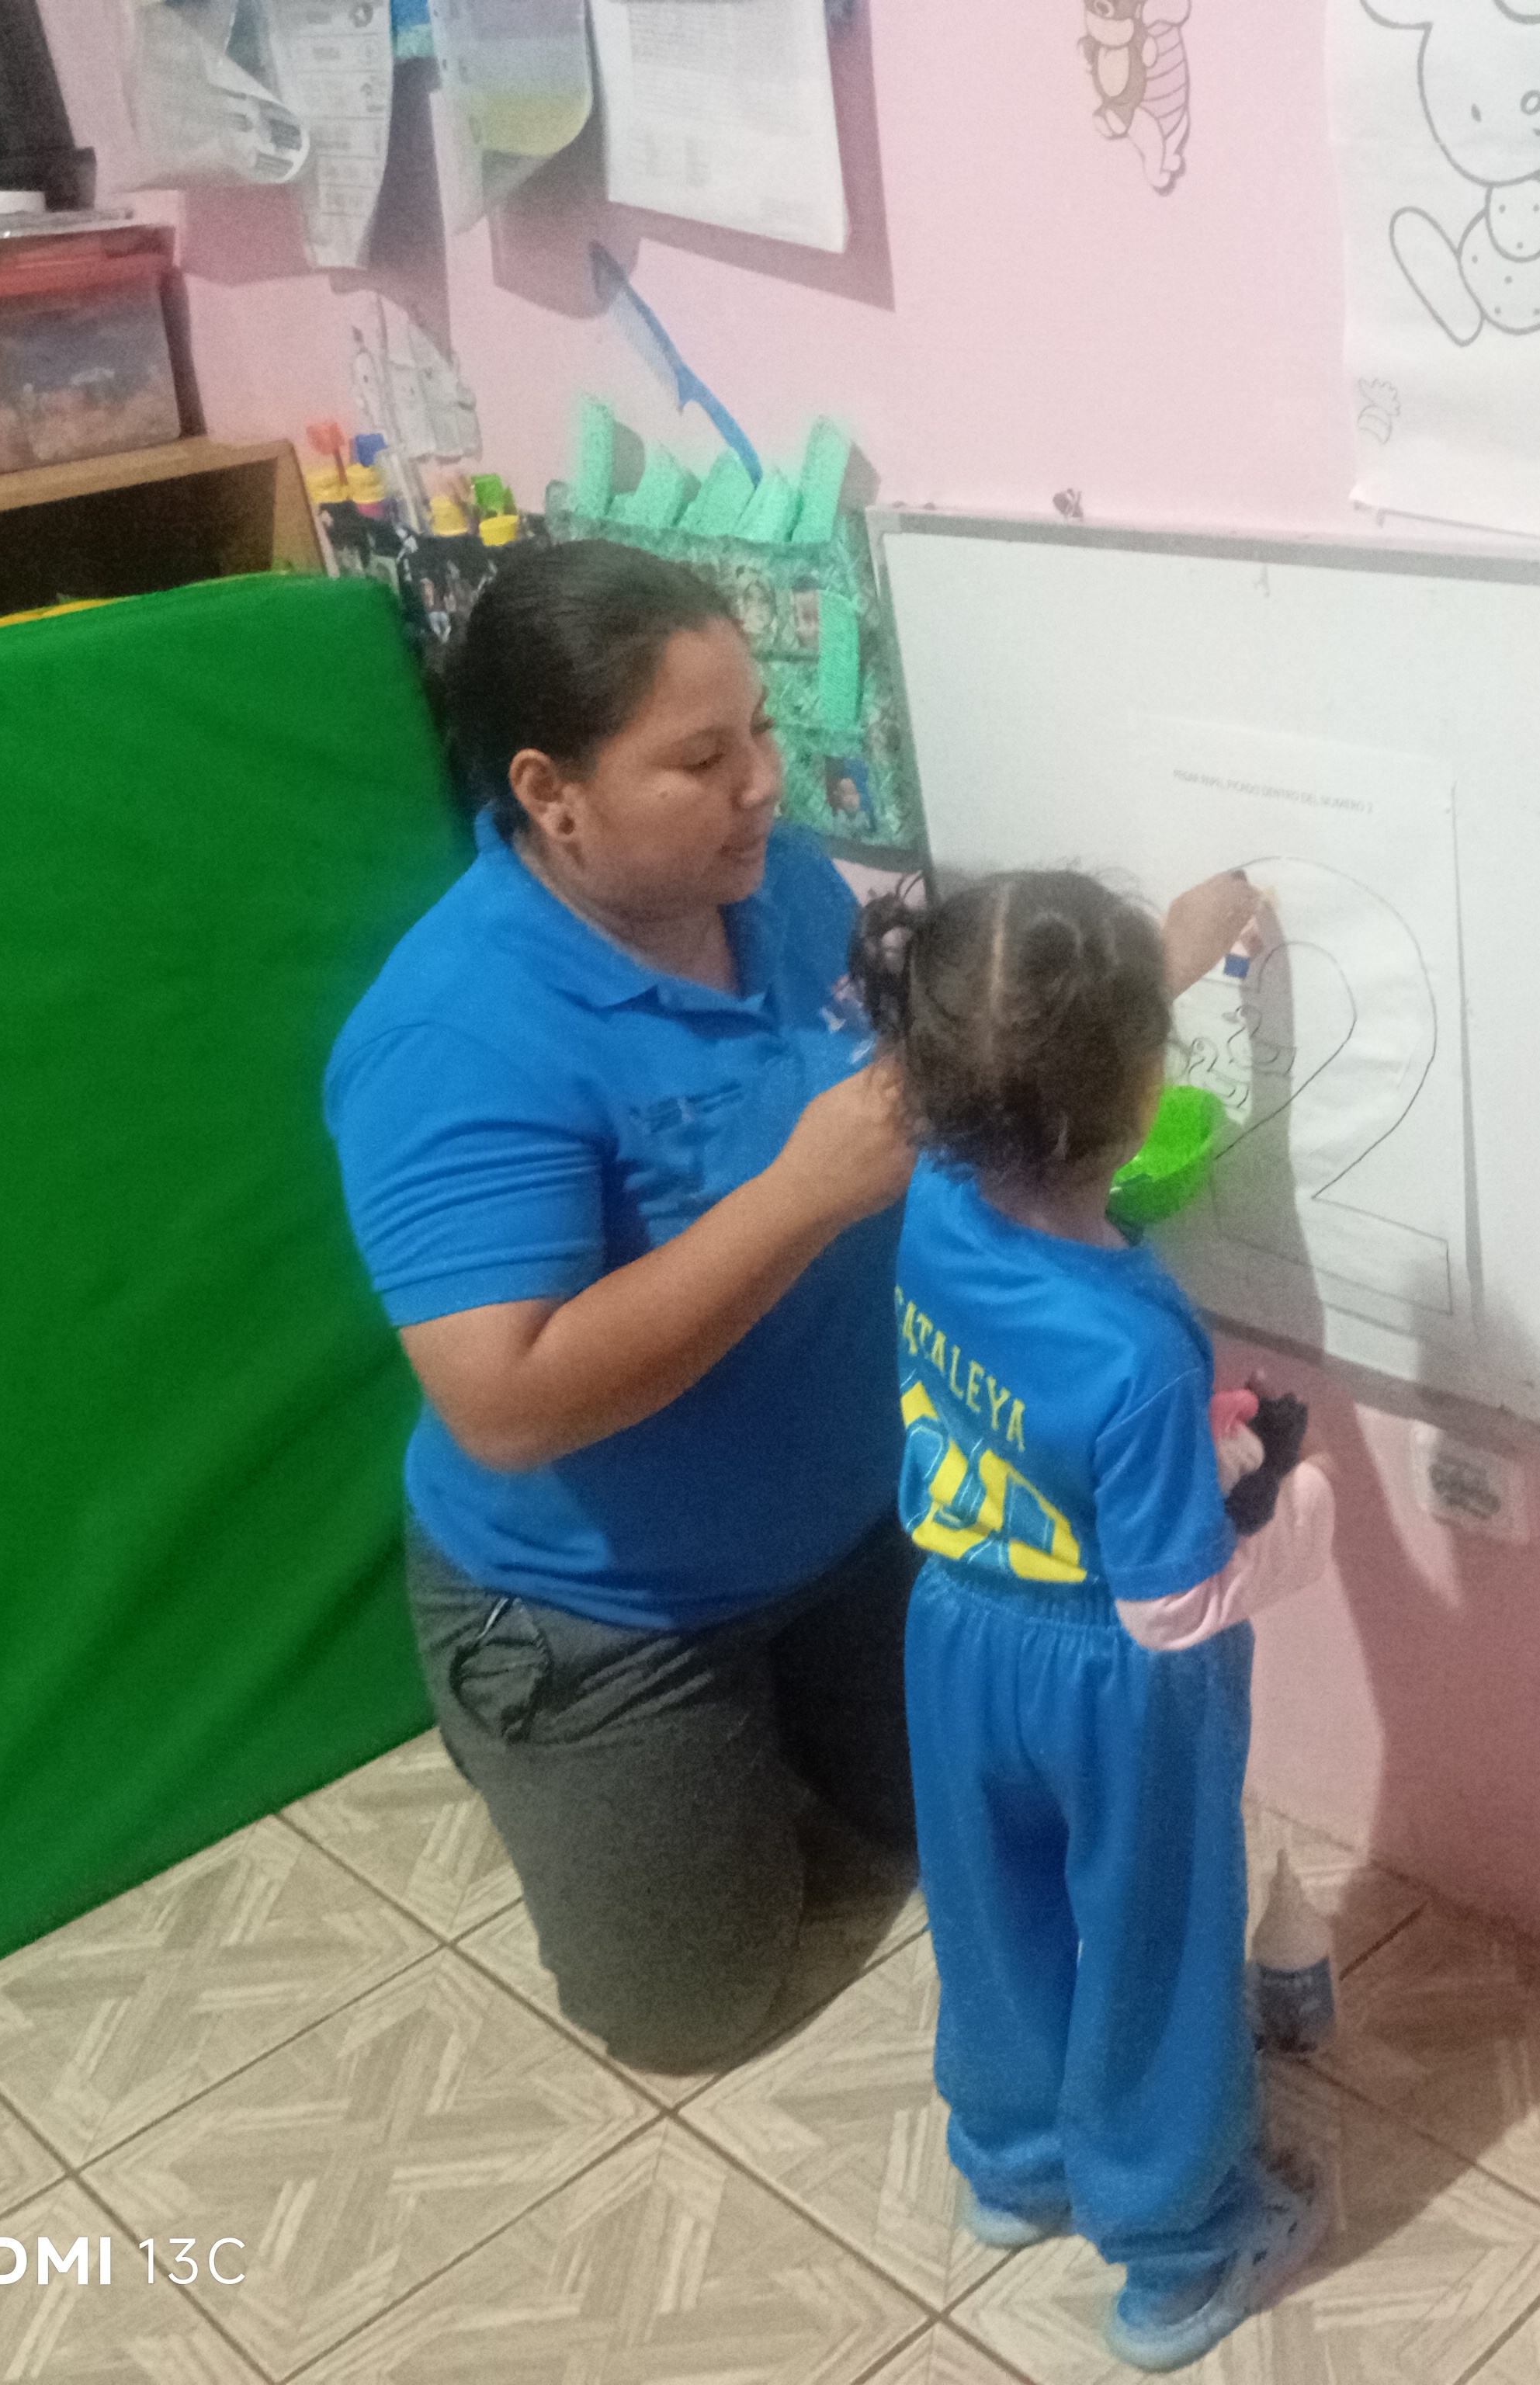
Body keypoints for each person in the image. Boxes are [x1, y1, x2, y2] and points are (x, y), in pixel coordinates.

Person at [322, 541, 1256, 2072]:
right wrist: (801, 1192)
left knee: (997, 1814)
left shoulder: (785, 886)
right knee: (687, 2012)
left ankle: (768, 1735)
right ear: (552, 793)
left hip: (861, 1528)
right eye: (701, 760)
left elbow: (961, 1052)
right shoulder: (454, 1037)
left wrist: (1146, 964)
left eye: (758, 728)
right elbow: (504, 1402)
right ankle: (550, 1728)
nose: (761, 782)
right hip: (606, 1601)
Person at [850, 870, 1338, 2373]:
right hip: (1116, 1684)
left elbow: (1029, 1065)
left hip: (956, 1630)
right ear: (1141, 1093)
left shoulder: (932, 1205)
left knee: (991, 1901)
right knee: (1158, 1939)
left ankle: (1013, 2163)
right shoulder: (1136, 1344)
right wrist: (1297, 1520)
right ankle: (1182, 2247)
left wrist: (1172, 951)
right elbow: (1176, 1605)